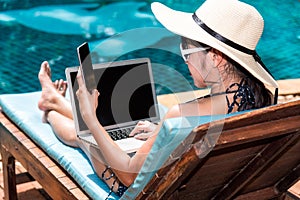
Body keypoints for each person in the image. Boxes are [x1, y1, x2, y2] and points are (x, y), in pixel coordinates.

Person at [37, 0, 278, 197]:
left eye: (187, 49)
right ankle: (56, 101)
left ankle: (50, 110)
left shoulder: (183, 114)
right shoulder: (263, 101)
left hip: (152, 191)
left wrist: (91, 118)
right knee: (112, 131)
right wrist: (164, 134)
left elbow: (129, 176)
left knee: (85, 138)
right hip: (213, 184)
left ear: (216, 57)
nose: (184, 58)